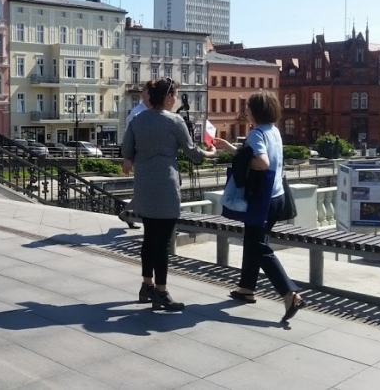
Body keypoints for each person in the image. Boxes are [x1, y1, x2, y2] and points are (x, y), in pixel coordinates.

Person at [121, 77, 217, 311]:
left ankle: (147, 286)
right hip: (165, 185)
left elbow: (126, 151)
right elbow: (193, 153)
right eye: (175, 95)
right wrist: (211, 153)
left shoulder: (137, 120)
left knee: (149, 238)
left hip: (144, 185)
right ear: (168, 98)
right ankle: (161, 292)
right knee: (163, 242)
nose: (176, 100)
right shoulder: (174, 121)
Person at [214, 90, 305, 322]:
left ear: (255, 111)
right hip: (277, 196)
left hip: (261, 199)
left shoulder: (255, 134)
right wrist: (231, 148)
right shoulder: (274, 131)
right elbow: (257, 156)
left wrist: (241, 159)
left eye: (248, 107)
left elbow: (261, 162)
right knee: (253, 240)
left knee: (258, 246)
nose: (246, 111)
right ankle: (247, 288)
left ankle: (289, 293)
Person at [119, 80, 155, 228]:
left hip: (150, 157)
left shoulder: (152, 111)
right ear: (143, 95)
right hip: (141, 157)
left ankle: (127, 213)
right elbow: (129, 136)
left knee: (149, 189)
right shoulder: (137, 113)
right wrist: (128, 158)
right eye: (148, 92)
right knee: (149, 189)